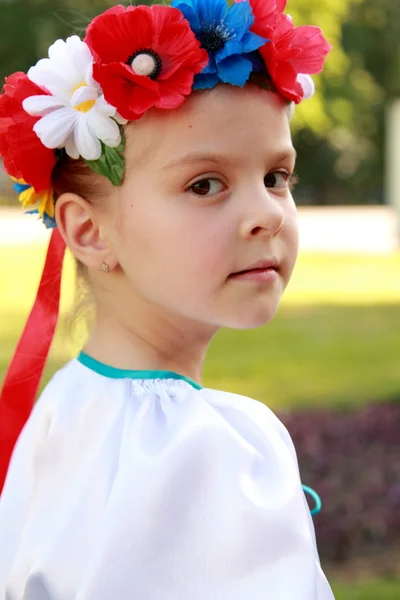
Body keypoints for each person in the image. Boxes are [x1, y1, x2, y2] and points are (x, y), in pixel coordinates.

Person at [0, 1, 334, 598]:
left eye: (277, 177)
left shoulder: (72, 405)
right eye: (205, 184)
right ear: (90, 231)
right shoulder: (198, 450)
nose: (265, 214)